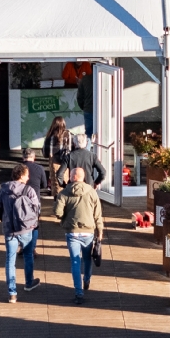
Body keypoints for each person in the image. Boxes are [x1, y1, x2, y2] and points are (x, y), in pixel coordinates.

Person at [55, 167, 104, 305]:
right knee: (87, 259)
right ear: (83, 177)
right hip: (88, 231)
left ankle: (79, 292)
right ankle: (87, 280)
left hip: (72, 232)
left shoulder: (64, 192)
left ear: (73, 177)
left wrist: (65, 217)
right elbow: (98, 215)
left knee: (75, 262)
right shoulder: (92, 192)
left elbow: (58, 212)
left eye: (70, 175)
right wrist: (100, 231)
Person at [0, 164, 41, 303]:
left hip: (9, 229)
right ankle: (28, 283)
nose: (28, 177)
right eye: (27, 175)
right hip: (26, 228)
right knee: (28, 255)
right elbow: (37, 209)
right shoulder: (29, 190)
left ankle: (12, 293)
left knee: (10, 260)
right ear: (21, 175)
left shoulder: (3, 189)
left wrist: (5, 220)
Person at [42, 117, 71, 197]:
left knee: (55, 182)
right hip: (66, 162)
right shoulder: (68, 134)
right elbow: (71, 149)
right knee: (65, 180)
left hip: (54, 162)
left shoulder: (49, 136)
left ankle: (56, 199)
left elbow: (45, 153)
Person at [76, 67, 94, 136]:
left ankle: (88, 146)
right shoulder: (105, 79)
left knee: (88, 133)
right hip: (102, 111)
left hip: (88, 109)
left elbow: (79, 97)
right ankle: (101, 147)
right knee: (102, 133)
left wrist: (84, 107)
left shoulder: (84, 79)